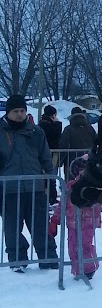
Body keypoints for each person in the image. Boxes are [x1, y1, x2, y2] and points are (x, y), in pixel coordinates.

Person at [0, 94, 59, 271]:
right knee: (12, 228)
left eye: (22, 111)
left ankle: (48, 258)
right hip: (9, 189)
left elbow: (46, 160)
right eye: (16, 111)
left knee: (40, 225)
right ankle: (17, 259)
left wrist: (52, 183)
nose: (19, 114)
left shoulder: (36, 132)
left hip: (35, 187)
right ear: (8, 112)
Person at [48, 155, 102, 279]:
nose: (82, 173)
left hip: (88, 221)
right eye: (80, 170)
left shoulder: (94, 185)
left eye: (85, 169)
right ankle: (78, 269)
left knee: (84, 245)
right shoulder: (71, 186)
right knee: (72, 245)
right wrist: (55, 219)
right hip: (72, 222)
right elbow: (63, 203)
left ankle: (89, 269)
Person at [58, 106, 97, 178]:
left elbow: (63, 145)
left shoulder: (68, 129)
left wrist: (59, 161)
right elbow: (97, 142)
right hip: (89, 161)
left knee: (72, 183)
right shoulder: (90, 128)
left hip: (72, 163)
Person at [38, 104, 63, 204]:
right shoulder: (45, 125)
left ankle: (51, 195)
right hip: (49, 153)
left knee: (51, 175)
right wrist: (58, 123)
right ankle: (50, 196)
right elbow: (55, 135)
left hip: (50, 153)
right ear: (52, 115)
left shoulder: (44, 123)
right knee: (50, 174)